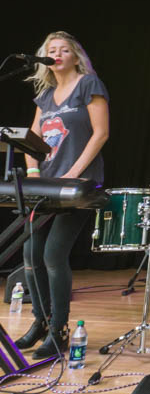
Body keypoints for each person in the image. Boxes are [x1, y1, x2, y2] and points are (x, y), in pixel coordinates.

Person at [18, 31, 109, 358]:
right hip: (46, 187)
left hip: (78, 185)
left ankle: (59, 329)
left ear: (75, 56)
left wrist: (73, 173)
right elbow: (31, 140)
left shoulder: (89, 84)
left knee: (53, 254)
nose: (56, 53)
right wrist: (32, 172)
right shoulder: (45, 96)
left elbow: (101, 133)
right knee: (30, 254)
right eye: (51, 49)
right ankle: (40, 322)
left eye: (64, 49)